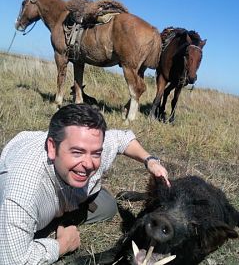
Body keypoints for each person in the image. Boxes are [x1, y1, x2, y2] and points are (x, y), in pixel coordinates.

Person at [0, 103, 170, 264]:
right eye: (77, 152)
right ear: (52, 148)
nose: (89, 164)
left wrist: (150, 160)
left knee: (108, 206)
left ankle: (61, 216)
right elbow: (13, 261)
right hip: (35, 199)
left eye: (96, 153)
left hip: (67, 194)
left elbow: (122, 138)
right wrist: (62, 245)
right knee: (32, 231)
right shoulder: (22, 194)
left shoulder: (90, 141)